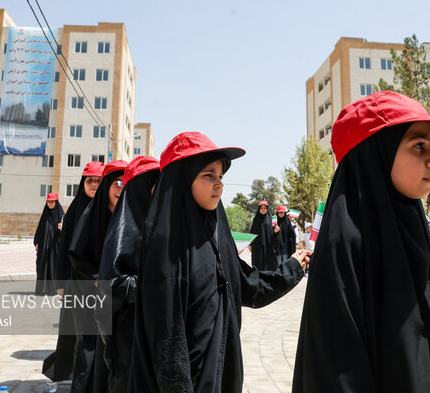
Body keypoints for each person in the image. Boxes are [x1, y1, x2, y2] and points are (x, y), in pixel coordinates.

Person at [292, 91, 430, 392]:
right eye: (419, 145)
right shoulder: (348, 243)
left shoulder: (412, 225)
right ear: (376, 153)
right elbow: (337, 371)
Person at [129, 132, 307, 392]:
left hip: (222, 371)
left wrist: (291, 269)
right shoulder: (166, 246)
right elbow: (167, 341)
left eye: (221, 176)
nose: (219, 184)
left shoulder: (217, 234)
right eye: (208, 175)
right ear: (182, 180)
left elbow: (247, 285)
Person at [96, 156, 160, 392]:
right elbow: (113, 284)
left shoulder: (158, 224)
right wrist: (152, 286)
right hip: (128, 331)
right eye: (155, 184)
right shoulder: (125, 228)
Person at [42, 160, 104, 386]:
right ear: (83, 183)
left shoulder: (106, 208)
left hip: (97, 282)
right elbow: (63, 247)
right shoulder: (74, 210)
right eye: (90, 180)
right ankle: (71, 374)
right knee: (74, 331)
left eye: (98, 181)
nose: (94, 185)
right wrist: (60, 282)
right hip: (74, 282)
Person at [69, 159, 128, 393]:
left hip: (118, 299)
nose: (120, 188)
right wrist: (96, 278)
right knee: (90, 351)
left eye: (125, 183)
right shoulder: (90, 215)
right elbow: (76, 254)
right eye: (115, 183)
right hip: (91, 294)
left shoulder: (129, 217)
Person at [34, 192, 65, 296]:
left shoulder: (61, 215)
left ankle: (53, 289)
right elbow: (40, 229)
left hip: (55, 247)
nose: (50, 203)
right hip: (43, 246)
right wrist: (37, 242)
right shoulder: (45, 214)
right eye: (49, 201)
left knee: (53, 266)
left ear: (56, 202)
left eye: (52, 201)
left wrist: (62, 228)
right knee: (42, 265)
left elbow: (67, 232)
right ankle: (41, 289)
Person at [249, 200, 278, 271]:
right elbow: (252, 231)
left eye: (265, 208)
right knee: (257, 262)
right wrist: (250, 244)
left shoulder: (271, 219)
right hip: (257, 246)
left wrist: (276, 231)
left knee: (268, 263)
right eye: (261, 208)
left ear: (267, 209)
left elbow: (275, 233)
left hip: (268, 245)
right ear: (259, 209)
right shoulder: (255, 219)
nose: (263, 209)